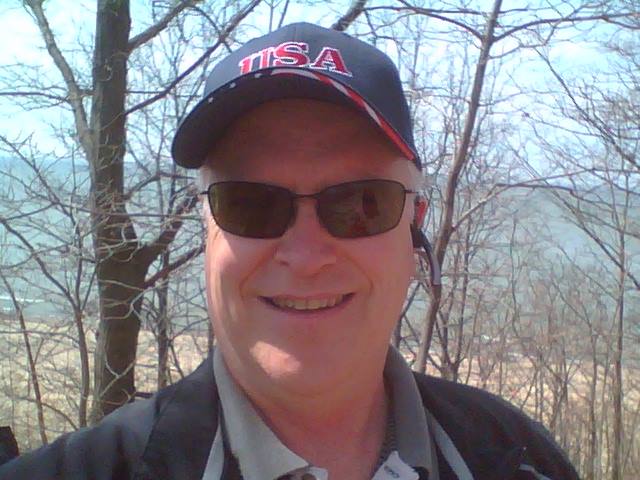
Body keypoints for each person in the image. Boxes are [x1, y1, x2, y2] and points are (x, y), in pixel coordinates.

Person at [0, 22, 579, 480]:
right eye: (251, 204)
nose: (304, 256)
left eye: (361, 204)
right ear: (206, 229)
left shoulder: (518, 459)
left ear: (414, 227)